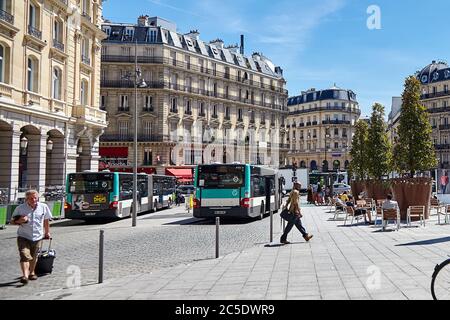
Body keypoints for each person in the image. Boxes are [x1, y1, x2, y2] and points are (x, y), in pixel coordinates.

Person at [10, 190, 52, 284]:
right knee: (24, 255)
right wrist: (20, 220)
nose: (33, 200)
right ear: (26, 199)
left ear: (37, 198)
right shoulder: (20, 208)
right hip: (23, 236)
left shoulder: (43, 207)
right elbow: (12, 221)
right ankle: (25, 276)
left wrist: (47, 232)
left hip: (38, 236)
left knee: (34, 256)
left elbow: (46, 220)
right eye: (31, 198)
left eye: (35, 198)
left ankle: (32, 272)